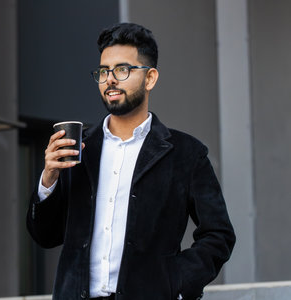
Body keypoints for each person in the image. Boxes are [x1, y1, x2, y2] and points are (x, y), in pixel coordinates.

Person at [27, 23, 235, 300]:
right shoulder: (80, 149)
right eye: (104, 71)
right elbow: (46, 236)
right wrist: (48, 180)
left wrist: (176, 281)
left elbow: (219, 235)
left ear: (150, 78)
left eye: (122, 70)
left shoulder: (186, 154)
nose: (110, 79)